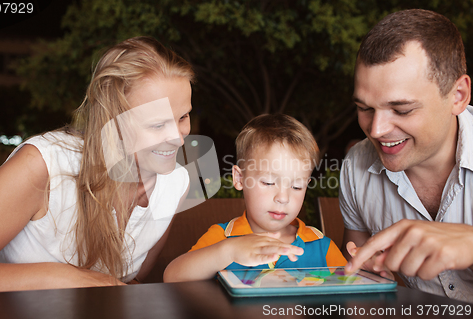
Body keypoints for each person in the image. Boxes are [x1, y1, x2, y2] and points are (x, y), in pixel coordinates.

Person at [0, 36, 194, 302]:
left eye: (183, 117)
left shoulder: (175, 183)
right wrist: (62, 278)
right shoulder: (43, 165)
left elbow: (130, 279)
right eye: (158, 125)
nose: (178, 138)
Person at [340, 9, 473, 302]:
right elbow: (357, 277)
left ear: (458, 96)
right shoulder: (356, 167)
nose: (376, 130)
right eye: (365, 108)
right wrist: (371, 278)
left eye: (402, 110)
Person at [164, 114, 346, 282]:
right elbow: (172, 277)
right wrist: (228, 252)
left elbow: (353, 287)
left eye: (297, 186)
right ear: (239, 178)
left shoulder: (320, 246)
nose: (283, 198)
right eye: (268, 182)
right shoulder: (223, 238)